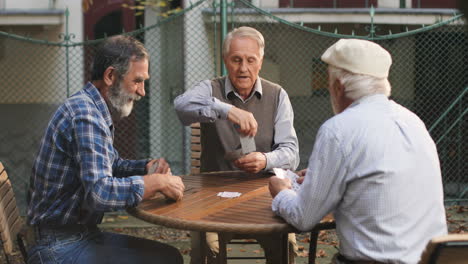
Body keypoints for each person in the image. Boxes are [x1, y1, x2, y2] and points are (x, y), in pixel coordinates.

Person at [269, 39, 448, 263]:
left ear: (338, 87)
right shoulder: (413, 122)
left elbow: (303, 218)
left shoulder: (338, 130)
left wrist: (281, 191)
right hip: (435, 258)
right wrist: (321, 178)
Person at [27, 35, 185, 264]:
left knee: (169, 256)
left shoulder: (91, 108)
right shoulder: (86, 115)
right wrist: (157, 183)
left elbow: (111, 166)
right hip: (56, 246)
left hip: (76, 235)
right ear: (111, 76)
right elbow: (100, 193)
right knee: (166, 260)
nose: (142, 91)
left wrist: (145, 167)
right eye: (137, 81)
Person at [174, 27, 299, 263]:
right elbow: (181, 107)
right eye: (236, 60)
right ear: (225, 60)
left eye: (251, 60)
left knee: (287, 244)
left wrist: (265, 160)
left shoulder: (278, 95)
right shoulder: (210, 89)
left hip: (265, 196)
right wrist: (227, 110)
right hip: (213, 197)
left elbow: (292, 154)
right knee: (208, 248)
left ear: (260, 61)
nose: (243, 68)